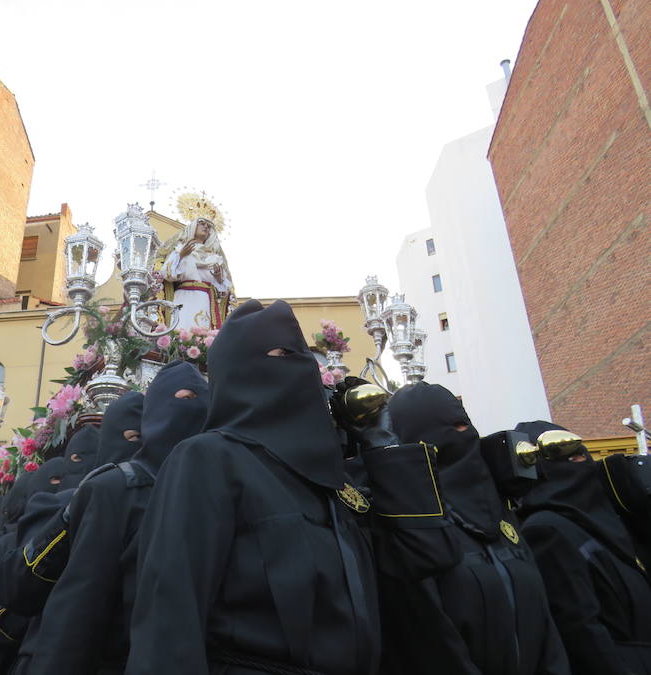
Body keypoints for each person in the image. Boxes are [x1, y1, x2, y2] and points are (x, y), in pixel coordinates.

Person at [125, 300, 455, 675]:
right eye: (281, 354)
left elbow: (426, 556)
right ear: (239, 370)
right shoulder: (209, 459)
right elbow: (169, 618)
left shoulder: (335, 485)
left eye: (302, 356)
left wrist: (383, 445)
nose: (300, 368)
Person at [374, 384, 570, 675]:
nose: (465, 434)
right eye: (451, 427)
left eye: (465, 424)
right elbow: (429, 640)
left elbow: (545, 620)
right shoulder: (411, 528)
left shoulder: (501, 519)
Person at [28, 361, 208, 675]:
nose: (190, 411)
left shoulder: (214, 489)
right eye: (182, 399)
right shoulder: (115, 488)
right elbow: (78, 610)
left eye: (198, 401)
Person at [516, 420, 651, 675]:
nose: (581, 461)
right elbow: (581, 631)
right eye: (565, 454)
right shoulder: (546, 529)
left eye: (580, 452)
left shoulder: (613, 519)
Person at [156, 217, 233, 330]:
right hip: (184, 297)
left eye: (208, 226)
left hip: (205, 300)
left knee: (203, 333)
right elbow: (166, 274)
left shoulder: (214, 258)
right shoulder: (180, 250)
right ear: (192, 228)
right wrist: (181, 256)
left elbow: (224, 293)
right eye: (201, 224)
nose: (206, 227)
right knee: (182, 330)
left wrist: (219, 279)